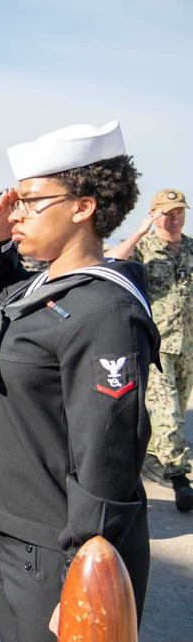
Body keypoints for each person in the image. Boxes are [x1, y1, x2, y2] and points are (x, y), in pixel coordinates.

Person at [0, 120, 158, 642]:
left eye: (30, 201)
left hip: (56, 546)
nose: (14, 212)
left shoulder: (105, 310)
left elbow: (108, 453)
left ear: (83, 206)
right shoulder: (42, 286)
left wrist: (87, 570)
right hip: (9, 525)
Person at [105, 188, 193, 512]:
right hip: (159, 346)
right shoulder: (144, 247)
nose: (175, 218)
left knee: (177, 412)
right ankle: (181, 479)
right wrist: (140, 230)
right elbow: (112, 260)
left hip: (188, 344)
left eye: (180, 212)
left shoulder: (190, 248)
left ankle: (155, 456)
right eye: (168, 213)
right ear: (156, 214)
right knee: (167, 411)